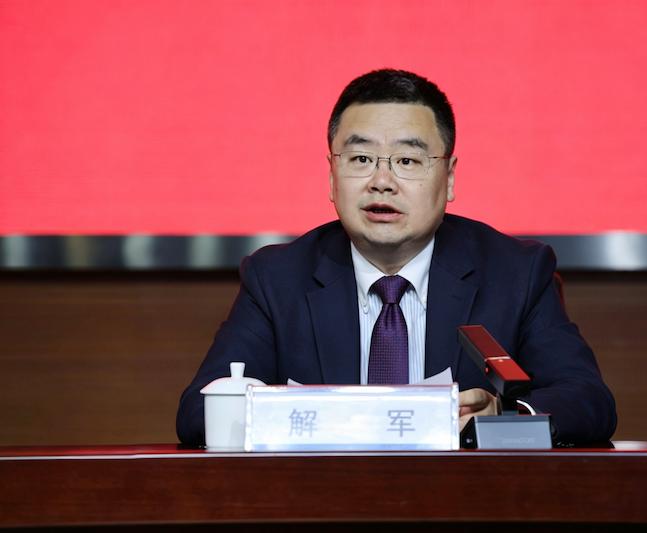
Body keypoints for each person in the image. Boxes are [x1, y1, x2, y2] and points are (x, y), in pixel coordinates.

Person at [176, 69, 616, 446]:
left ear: (449, 178)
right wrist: (305, 412)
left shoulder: (515, 272)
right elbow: (198, 412)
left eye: (407, 160)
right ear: (331, 175)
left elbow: (587, 400)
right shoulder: (277, 278)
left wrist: (501, 419)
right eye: (361, 158)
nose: (382, 181)